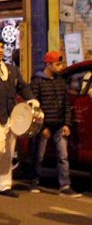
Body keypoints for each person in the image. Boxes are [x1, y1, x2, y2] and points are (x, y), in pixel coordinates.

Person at [0, 37, 38, 197]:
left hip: (12, 115)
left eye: (2, 47)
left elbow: (22, 86)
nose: (0, 50)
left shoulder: (11, 69)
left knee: (9, 152)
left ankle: (5, 185)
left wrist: (31, 98)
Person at [29, 51, 80, 197]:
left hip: (59, 124)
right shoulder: (37, 81)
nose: (60, 67)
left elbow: (66, 104)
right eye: (57, 64)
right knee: (38, 155)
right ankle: (33, 182)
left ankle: (65, 186)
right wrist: (42, 126)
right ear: (48, 64)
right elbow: (35, 106)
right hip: (44, 125)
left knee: (63, 156)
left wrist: (67, 124)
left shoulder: (60, 81)